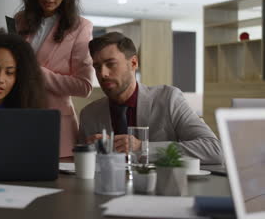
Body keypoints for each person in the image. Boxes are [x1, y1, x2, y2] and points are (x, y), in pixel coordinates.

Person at [80, 32, 223, 164]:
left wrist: (142, 147)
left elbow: (214, 149)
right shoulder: (89, 114)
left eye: (111, 64)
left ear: (134, 63)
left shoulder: (168, 99)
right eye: (97, 67)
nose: (103, 73)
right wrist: (88, 153)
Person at [15, 0, 93, 157]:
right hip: (18, 121)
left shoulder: (81, 27)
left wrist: (34, 71)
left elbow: (84, 86)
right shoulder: (19, 21)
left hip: (58, 130)